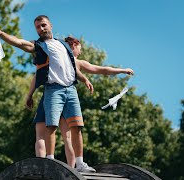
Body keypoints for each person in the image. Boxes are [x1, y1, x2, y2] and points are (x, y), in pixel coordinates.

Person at [0, 15, 95, 172]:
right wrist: (1, 34)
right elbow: (20, 43)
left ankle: (80, 164)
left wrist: (84, 78)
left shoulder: (63, 45)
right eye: (38, 27)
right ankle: (49, 162)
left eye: (43, 25)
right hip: (53, 90)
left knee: (77, 127)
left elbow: (71, 67)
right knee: (51, 126)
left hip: (71, 90)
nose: (41, 29)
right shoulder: (38, 46)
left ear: (50, 25)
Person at [26, 36, 134, 170]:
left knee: (41, 135)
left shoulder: (52, 57)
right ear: (73, 46)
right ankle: (72, 167)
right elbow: (100, 69)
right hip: (62, 97)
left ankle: (43, 165)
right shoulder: (75, 61)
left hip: (50, 96)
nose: (80, 52)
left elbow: (37, 77)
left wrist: (29, 95)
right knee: (68, 136)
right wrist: (122, 70)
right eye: (79, 49)